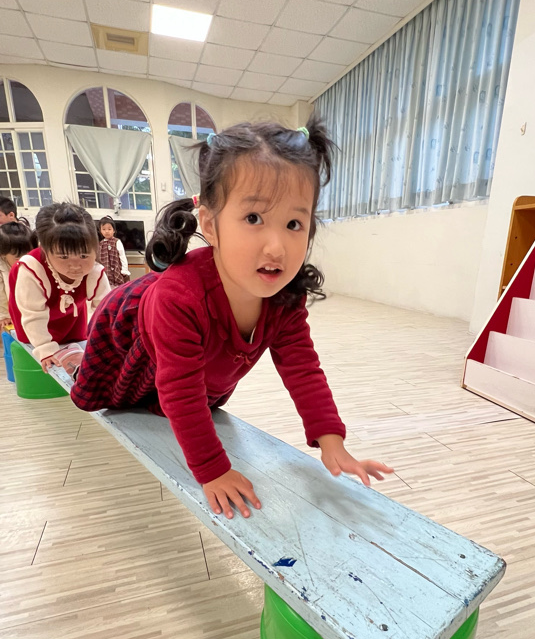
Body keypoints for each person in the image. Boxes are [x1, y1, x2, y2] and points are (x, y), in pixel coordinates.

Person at [72, 117, 393, 518]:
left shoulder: (284, 297)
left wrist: (333, 443)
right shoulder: (179, 297)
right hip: (128, 343)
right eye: (254, 218)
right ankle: (76, 357)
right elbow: (180, 391)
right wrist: (213, 471)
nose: (276, 247)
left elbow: (302, 369)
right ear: (210, 224)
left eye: (295, 223)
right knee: (126, 398)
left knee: (181, 397)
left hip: (191, 368)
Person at [9, 202, 110, 372]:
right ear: (44, 249)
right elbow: (33, 314)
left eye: (84, 255)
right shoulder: (32, 269)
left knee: (76, 339)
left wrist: (106, 342)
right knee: (42, 350)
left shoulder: (94, 270)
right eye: (63, 257)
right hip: (32, 317)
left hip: (71, 315)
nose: (75, 266)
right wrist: (45, 348)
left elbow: (106, 309)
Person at [0, 221, 33, 330]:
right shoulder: (2, 268)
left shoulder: (34, 262)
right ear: (3, 255)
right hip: (11, 312)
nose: (24, 260)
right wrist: (4, 315)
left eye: (29, 254)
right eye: (18, 258)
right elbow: (1, 294)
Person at [98, 216, 130, 287]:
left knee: (119, 287)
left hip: (116, 269)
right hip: (106, 271)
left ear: (114, 230)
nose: (107, 231)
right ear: (100, 231)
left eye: (109, 229)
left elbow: (122, 256)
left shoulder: (117, 241)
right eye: (104, 229)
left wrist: (124, 270)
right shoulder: (100, 244)